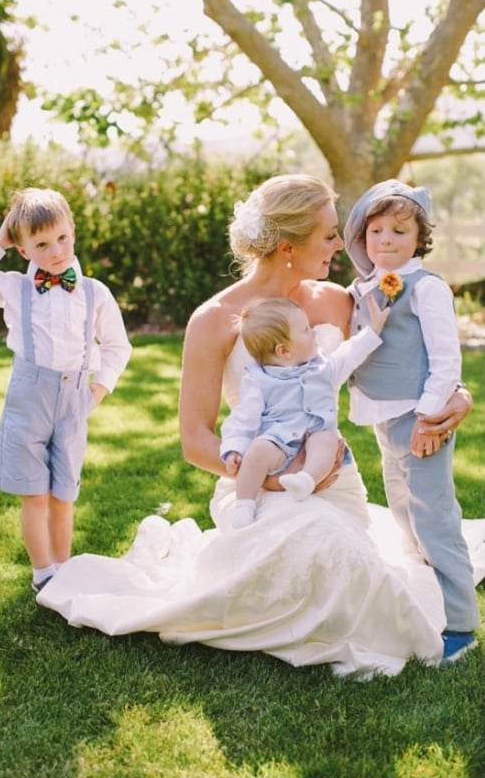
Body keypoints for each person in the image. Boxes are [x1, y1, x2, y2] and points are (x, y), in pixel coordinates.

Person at [36, 174, 484, 678]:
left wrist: (457, 397)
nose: (343, 245)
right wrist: (265, 479)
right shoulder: (214, 320)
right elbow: (196, 441)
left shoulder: (338, 301)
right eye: (330, 235)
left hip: (332, 477)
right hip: (251, 481)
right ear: (289, 247)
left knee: (336, 547)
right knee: (309, 538)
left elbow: (398, 360)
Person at [0, 187, 132, 594]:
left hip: (73, 399)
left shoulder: (93, 292)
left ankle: (64, 569)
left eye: (63, 238)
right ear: (23, 249)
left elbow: (117, 346)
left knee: (62, 493)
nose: (56, 251)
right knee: (33, 493)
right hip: (28, 400)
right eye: (42, 244)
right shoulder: (14, 288)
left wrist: (98, 391)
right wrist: (0, 239)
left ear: (73, 230)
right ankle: (42, 573)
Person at [343, 178, 480, 663]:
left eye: (399, 231)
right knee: (400, 505)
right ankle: (427, 588)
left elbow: (445, 360)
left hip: (417, 417)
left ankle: (462, 624)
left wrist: (428, 418)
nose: (384, 240)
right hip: (383, 416)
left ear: (419, 238)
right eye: (375, 230)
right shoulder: (361, 288)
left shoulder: (427, 287)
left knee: (434, 515)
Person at [221, 295, 389, 527]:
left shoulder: (324, 368)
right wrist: (233, 448)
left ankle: (306, 479)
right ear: (284, 351)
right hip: (278, 440)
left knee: (326, 441)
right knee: (257, 451)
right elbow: (242, 418)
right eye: (306, 330)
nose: (314, 333)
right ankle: (245, 505)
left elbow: (351, 353)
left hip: (316, 433)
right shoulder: (259, 380)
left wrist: (374, 328)